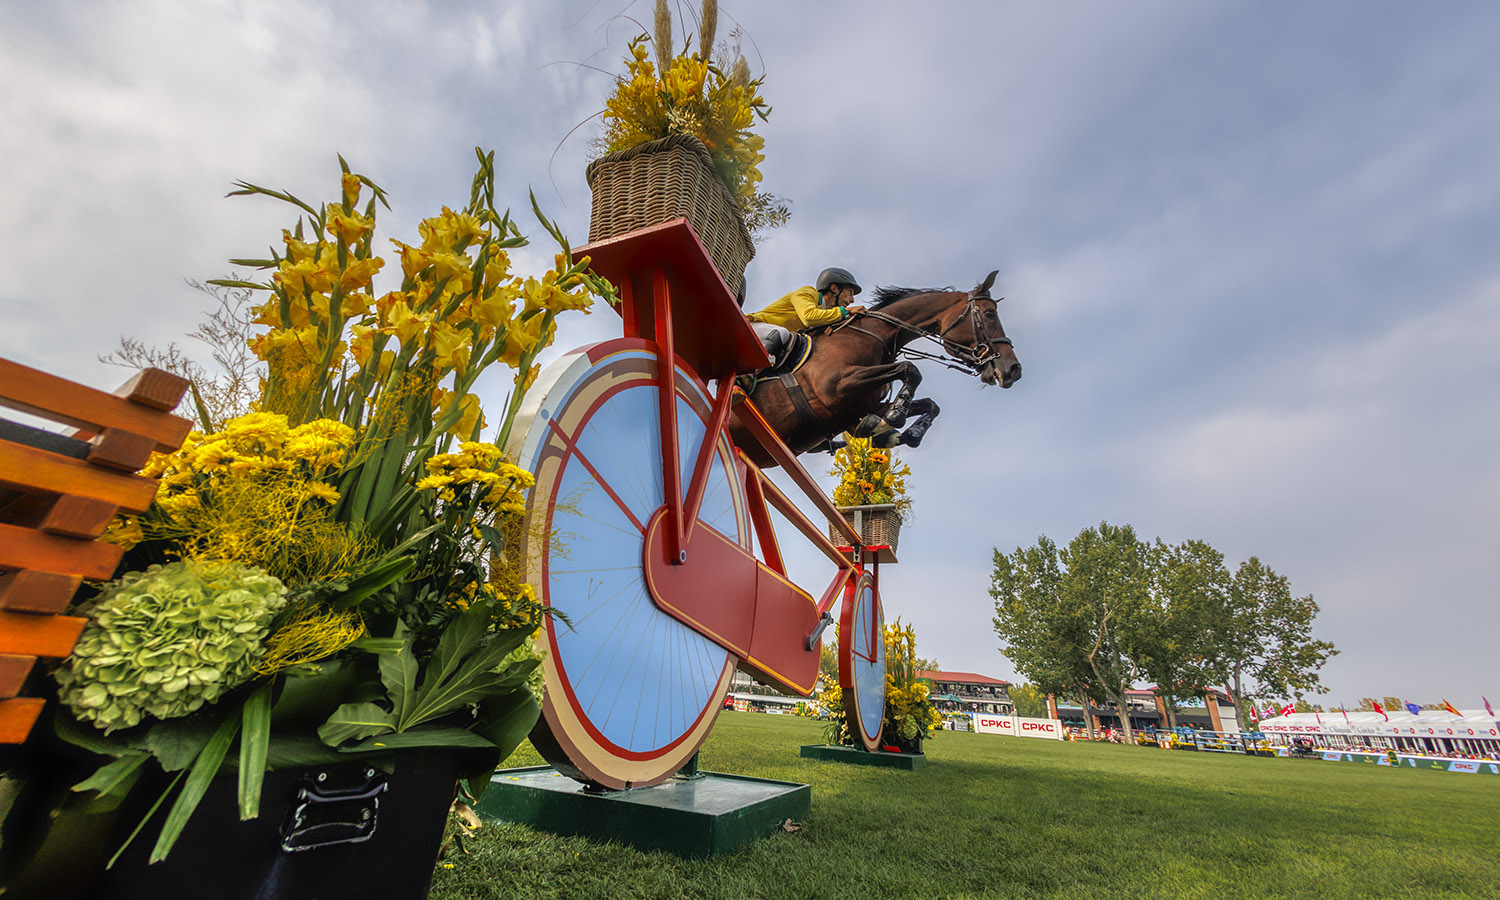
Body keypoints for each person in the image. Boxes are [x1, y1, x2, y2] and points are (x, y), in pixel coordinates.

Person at [746, 266, 867, 368]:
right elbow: (809, 317)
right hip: (751, 329)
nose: (852, 300)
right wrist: (844, 311)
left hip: (771, 344)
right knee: (780, 333)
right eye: (850, 292)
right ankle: (746, 376)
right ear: (834, 288)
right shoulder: (808, 292)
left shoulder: (825, 315)